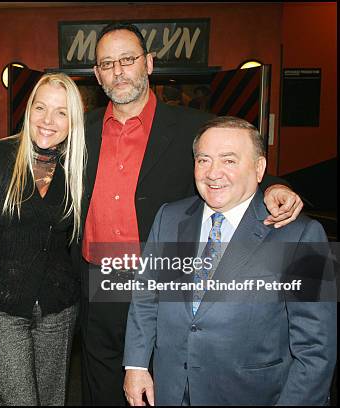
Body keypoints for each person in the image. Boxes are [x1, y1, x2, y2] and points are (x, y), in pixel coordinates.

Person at [76, 22, 304, 405]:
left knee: (170, 381)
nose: (118, 71)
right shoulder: (82, 129)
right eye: (107, 63)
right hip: (97, 280)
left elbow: (241, 163)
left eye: (127, 59)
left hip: (167, 282)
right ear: (97, 74)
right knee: (103, 386)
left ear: (148, 63)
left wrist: (277, 187)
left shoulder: (194, 126)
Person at [123, 116, 337, 405]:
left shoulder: (301, 236)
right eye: (204, 160)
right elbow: (146, 294)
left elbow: (316, 350)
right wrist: (136, 365)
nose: (213, 173)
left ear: (259, 168)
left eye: (229, 161)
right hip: (170, 390)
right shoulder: (169, 217)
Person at [0, 72, 86, 405]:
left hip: (58, 308)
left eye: (61, 112)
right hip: (2, 306)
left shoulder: (76, 168)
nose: (49, 120)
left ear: (73, 120)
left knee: (51, 400)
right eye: (41, 108)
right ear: (28, 110)